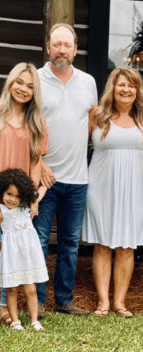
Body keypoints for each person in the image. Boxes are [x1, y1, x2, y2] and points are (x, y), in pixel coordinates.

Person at [35, 23, 99, 316]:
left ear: (75, 49)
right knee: (39, 239)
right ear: (48, 47)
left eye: (67, 45)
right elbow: (27, 127)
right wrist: (38, 162)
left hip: (77, 179)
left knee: (70, 244)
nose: (62, 49)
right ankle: (36, 299)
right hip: (43, 178)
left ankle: (63, 300)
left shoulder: (88, 82)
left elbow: (92, 125)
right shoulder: (35, 80)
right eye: (56, 44)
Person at [81, 67, 143, 318]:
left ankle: (120, 302)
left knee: (126, 246)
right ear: (113, 87)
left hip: (134, 190)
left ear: (137, 91)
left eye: (131, 86)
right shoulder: (97, 115)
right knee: (102, 244)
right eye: (121, 85)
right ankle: (103, 302)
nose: (126, 90)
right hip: (100, 187)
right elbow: (79, 147)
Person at [0, 63, 53, 326]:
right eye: (19, 82)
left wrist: (31, 198)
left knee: (8, 252)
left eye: (30, 86)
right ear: (10, 82)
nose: (23, 89)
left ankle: (3, 308)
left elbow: (35, 161)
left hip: (17, 201)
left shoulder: (36, 122)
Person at [0, 169, 49, 330]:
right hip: (10, 254)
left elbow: (43, 188)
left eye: (18, 196)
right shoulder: (1, 211)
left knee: (31, 287)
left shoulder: (27, 207)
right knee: (12, 288)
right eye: (9, 194)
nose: (13, 199)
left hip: (28, 254)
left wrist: (34, 200)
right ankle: (15, 321)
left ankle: (34, 320)